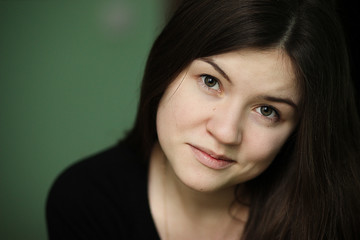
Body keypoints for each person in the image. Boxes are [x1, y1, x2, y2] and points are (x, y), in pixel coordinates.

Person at [46, 0, 360, 239]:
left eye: (267, 111)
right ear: (166, 70)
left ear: (298, 132)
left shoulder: (331, 219)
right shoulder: (86, 200)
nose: (225, 132)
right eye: (211, 82)